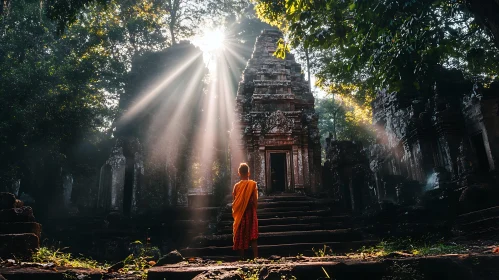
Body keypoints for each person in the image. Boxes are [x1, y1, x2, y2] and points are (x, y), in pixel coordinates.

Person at [232, 163, 259, 259]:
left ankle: (242, 257)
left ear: (239, 173)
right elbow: (255, 201)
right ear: (248, 173)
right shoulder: (252, 184)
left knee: (241, 234)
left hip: (240, 213)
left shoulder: (236, 186)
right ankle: (256, 257)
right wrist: (254, 209)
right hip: (250, 212)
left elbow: (235, 201)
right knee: (253, 234)